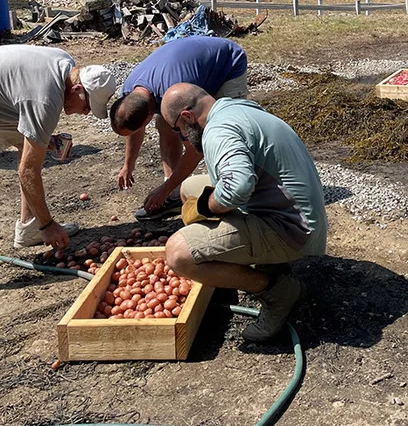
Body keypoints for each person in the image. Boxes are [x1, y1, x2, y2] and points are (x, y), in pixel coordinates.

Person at [160, 83, 327, 342]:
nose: (182, 137)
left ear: (187, 117)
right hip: (294, 211)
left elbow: (238, 187)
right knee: (189, 189)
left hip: (292, 231)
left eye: (178, 130)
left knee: (178, 255)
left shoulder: (218, 131)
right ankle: (267, 263)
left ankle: (278, 292)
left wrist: (205, 207)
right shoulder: (232, 107)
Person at [109, 36, 249, 221]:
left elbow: (195, 150)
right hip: (190, 66)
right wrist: (128, 165)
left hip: (226, 63)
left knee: (220, 131)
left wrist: (163, 191)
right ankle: (176, 195)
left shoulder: (174, 92)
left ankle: (230, 194)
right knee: (165, 124)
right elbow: (135, 127)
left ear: (148, 117)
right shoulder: (129, 93)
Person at [0, 46, 116, 249]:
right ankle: (38, 225)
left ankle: (29, 227)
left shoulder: (64, 63)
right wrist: (48, 225)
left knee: (29, 143)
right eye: (87, 107)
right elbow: (27, 171)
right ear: (78, 90)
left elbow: (25, 123)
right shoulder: (45, 100)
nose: (86, 114)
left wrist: (45, 141)